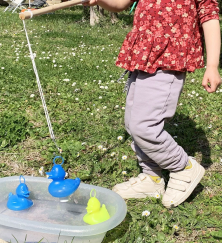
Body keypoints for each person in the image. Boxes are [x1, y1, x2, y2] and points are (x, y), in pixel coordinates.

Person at [83, 0, 221, 208]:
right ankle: (152, 178)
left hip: (169, 59)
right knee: (132, 123)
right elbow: (120, 3)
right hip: (142, 56)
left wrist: (212, 65)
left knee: (144, 125)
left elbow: (209, 17)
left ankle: (183, 167)